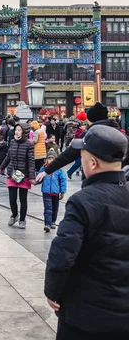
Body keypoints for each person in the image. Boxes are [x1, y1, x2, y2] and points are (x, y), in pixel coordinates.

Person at [45, 125, 129, 339]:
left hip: (86, 313)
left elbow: (63, 253)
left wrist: (53, 291)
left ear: (92, 163)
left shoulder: (83, 201)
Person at [36, 102, 129, 184]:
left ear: (90, 119)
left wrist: (47, 171)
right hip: (120, 182)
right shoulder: (121, 135)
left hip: (93, 184)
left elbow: (68, 155)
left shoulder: (89, 135)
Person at [0, 123, 36, 229]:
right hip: (12, 173)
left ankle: (22, 219)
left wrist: (32, 177)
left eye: (19, 130)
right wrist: (2, 167)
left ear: (24, 132)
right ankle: (14, 215)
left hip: (24, 175)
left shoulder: (29, 145)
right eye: (16, 130)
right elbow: (8, 156)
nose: (17, 132)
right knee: (12, 198)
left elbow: (31, 161)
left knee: (23, 199)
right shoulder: (12, 142)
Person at [39, 150, 67, 233]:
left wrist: (62, 191)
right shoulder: (44, 169)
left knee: (55, 208)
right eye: (49, 158)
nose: (51, 160)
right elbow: (39, 177)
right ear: (46, 159)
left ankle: (53, 221)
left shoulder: (59, 170)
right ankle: (47, 224)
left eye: (53, 158)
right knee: (48, 208)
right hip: (46, 192)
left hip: (55, 192)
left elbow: (63, 181)